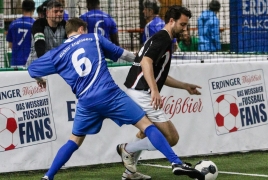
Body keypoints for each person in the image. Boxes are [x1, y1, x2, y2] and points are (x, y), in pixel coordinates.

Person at [27, 18, 204, 180]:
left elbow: (32, 69)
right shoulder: (93, 38)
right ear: (82, 29)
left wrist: (39, 79)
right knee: (147, 125)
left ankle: (48, 176)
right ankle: (175, 162)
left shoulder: (57, 53)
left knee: (74, 141)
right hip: (109, 94)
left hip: (86, 102)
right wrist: (139, 59)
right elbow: (122, 54)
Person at [118, 5, 202, 180]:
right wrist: (154, 91)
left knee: (144, 132)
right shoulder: (163, 38)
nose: (185, 28)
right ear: (171, 21)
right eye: (182, 24)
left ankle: (129, 172)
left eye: (186, 25)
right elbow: (146, 63)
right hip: (142, 92)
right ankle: (127, 149)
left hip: (137, 90)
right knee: (171, 138)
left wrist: (185, 85)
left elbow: (160, 74)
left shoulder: (164, 38)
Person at [26, 0, 67, 66]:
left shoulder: (64, 25)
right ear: (47, 13)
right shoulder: (39, 24)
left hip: (54, 64)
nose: (59, 14)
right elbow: (40, 45)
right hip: (36, 64)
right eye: (56, 11)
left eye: (61, 11)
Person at [6, 0, 35, 68]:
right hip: (31, 63)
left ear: (22, 9)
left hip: (15, 62)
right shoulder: (35, 24)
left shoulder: (13, 23)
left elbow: (10, 45)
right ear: (34, 9)